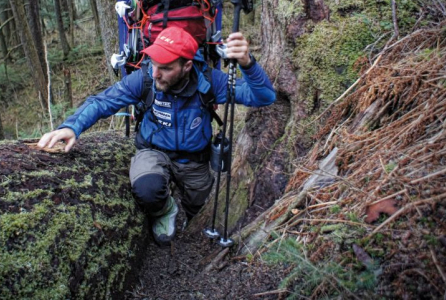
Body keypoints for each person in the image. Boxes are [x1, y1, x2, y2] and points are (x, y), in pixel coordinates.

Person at [38, 26, 276, 246]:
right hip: (153, 151)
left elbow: (264, 96)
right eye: (153, 63)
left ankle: (186, 212)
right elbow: (104, 101)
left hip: (194, 160)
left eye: (166, 68)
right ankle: (165, 209)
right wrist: (71, 126)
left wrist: (247, 63)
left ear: (187, 66)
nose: (156, 73)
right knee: (147, 189)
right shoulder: (144, 79)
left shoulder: (210, 81)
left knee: (200, 211)